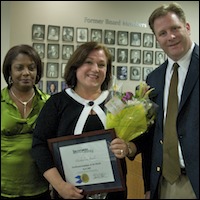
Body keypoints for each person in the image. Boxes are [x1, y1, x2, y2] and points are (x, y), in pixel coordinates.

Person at [31, 41, 141, 199]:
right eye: (88, 62)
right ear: (75, 66)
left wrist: (127, 147)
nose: (95, 69)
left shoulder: (117, 103)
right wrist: (60, 186)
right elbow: (39, 146)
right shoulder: (57, 103)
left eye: (102, 65)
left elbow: (138, 141)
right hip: (69, 193)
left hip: (113, 194)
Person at [143, 2, 199, 199]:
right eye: (163, 33)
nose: (171, 37)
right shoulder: (154, 79)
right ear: (157, 39)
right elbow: (151, 135)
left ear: (187, 27)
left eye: (175, 28)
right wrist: (148, 186)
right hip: (164, 184)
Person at [1, 44, 50, 199]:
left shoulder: (48, 103)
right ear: (10, 71)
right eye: (19, 68)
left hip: (39, 188)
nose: (26, 73)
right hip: (4, 189)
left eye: (31, 68)